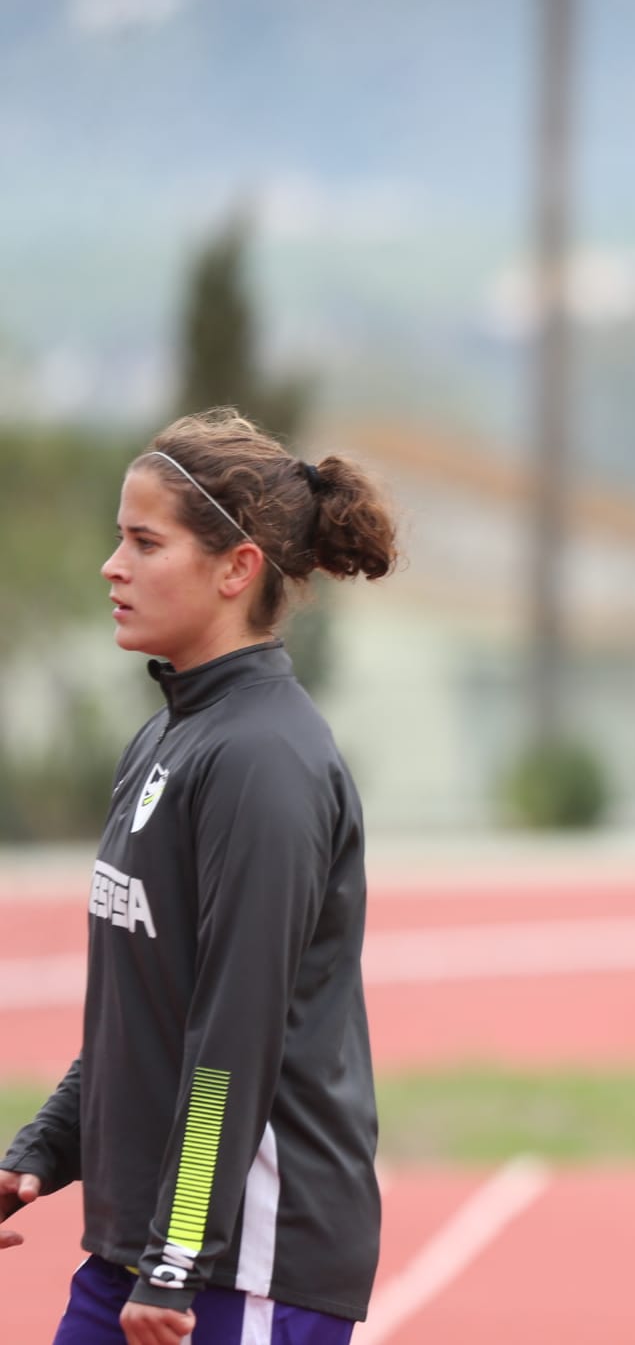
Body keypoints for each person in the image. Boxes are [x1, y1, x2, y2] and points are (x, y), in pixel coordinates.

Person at [0, 409, 395, 1345]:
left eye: (143, 541)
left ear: (236, 568)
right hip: (150, 1248)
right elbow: (153, 1009)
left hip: (243, 1263)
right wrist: (40, 1151)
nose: (112, 564)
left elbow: (233, 1036)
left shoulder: (264, 761)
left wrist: (179, 1258)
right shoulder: (173, 731)